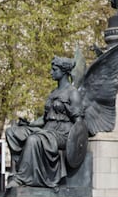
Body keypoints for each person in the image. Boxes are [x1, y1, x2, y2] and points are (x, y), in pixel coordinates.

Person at [5, 56, 84, 188]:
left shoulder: (73, 93)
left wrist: (74, 146)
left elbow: (79, 124)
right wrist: (29, 124)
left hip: (62, 134)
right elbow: (44, 118)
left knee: (34, 140)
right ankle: (16, 171)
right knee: (12, 132)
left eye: (54, 70)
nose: (51, 72)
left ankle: (22, 178)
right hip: (47, 130)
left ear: (63, 72)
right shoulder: (53, 93)